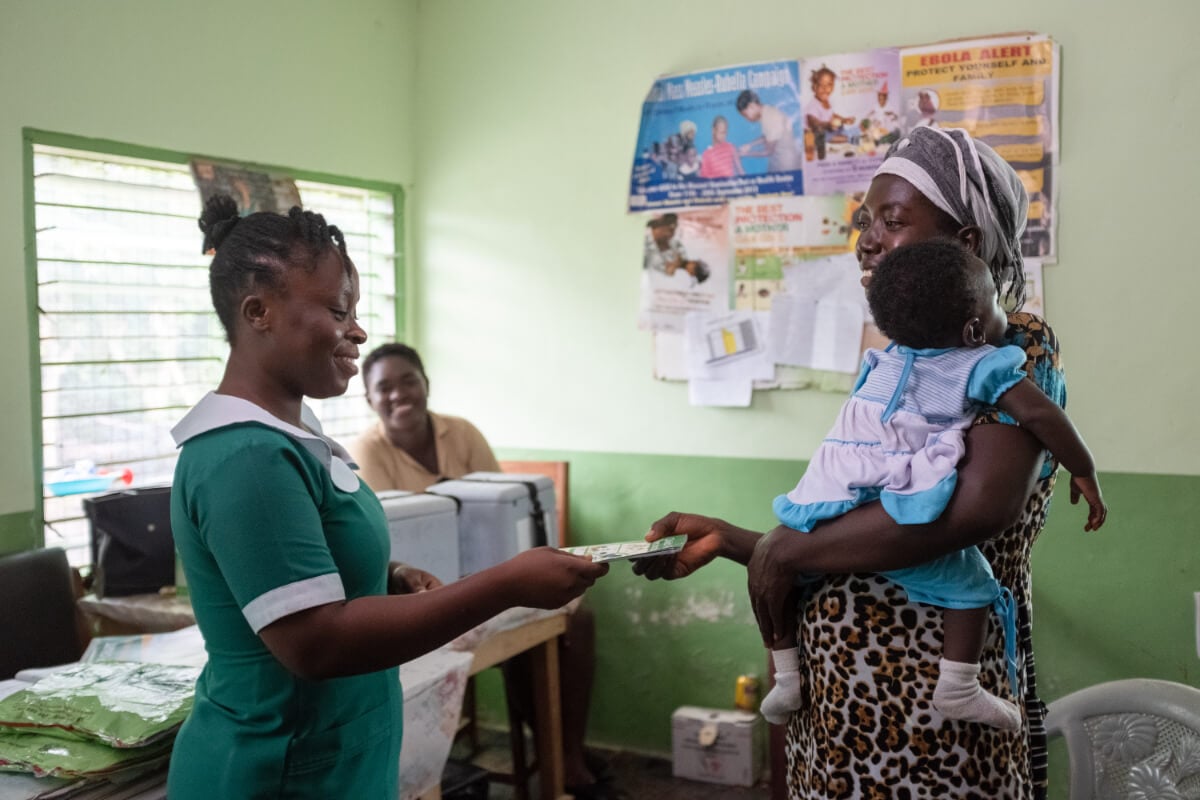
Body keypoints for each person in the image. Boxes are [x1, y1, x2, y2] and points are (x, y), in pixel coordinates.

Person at [636, 126, 1073, 799]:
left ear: (967, 244)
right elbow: (847, 541)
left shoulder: (1013, 351)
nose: (867, 238)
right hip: (840, 730)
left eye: (892, 220)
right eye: (866, 220)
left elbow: (981, 508)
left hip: (932, 737)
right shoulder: (900, 368)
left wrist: (782, 554)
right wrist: (736, 541)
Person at [168, 194, 608, 800]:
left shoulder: (297, 438)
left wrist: (384, 574)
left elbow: (310, 565)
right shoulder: (246, 457)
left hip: (330, 761)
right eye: (336, 309)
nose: (358, 330)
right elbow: (316, 641)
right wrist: (505, 584)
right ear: (258, 312)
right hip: (277, 771)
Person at [758, 239, 1106, 731]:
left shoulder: (886, 358)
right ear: (973, 329)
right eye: (993, 304)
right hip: (895, 494)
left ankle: (786, 679)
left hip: (831, 484)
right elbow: (1039, 414)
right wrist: (1085, 469)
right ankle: (959, 688)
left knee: (791, 573)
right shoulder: (981, 362)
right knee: (974, 585)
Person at [347, 343, 619, 799]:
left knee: (573, 621)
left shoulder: (462, 432)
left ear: (426, 384)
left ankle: (566, 753)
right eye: (384, 388)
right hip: (419, 591)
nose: (399, 395)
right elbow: (386, 543)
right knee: (509, 636)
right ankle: (558, 756)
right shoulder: (364, 452)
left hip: (488, 574)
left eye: (408, 381)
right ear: (370, 400)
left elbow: (501, 501)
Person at [736, 89, 802, 172]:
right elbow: (767, 137)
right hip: (778, 159)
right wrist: (750, 145)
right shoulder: (766, 111)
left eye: (746, 115)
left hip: (787, 165)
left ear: (752, 106)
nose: (747, 119)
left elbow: (768, 151)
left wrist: (745, 154)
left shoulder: (770, 118)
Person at [803, 65, 855, 160]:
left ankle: (848, 137)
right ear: (814, 87)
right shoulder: (812, 106)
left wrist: (843, 119)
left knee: (842, 128)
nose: (825, 88)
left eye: (829, 85)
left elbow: (831, 115)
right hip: (815, 133)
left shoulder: (826, 101)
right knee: (823, 136)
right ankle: (849, 139)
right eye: (821, 85)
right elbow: (814, 123)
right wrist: (828, 125)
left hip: (829, 129)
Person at [642, 213, 709, 285]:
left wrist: (673, 265)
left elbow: (656, 261)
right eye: (696, 266)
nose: (691, 272)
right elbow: (666, 240)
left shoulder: (671, 270)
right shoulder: (681, 251)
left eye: (694, 271)